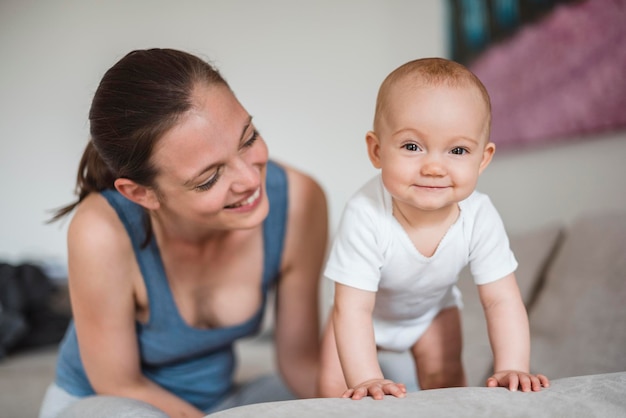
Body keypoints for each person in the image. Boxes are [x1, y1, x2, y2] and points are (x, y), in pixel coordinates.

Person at [38, 48, 328, 418]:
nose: (252, 179)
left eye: (249, 138)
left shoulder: (300, 201)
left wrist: (352, 405)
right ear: (141, 193)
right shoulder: (101, 230)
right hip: (110, 405)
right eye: (209, 178)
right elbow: (118, 385)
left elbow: (300, 364)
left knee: (388, 379)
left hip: (219, 404)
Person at [317, 57, 550, 400]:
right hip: (365, 314)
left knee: (447, 382)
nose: (434, 167)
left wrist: (512, 365)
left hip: (431, 312)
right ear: (377, 150)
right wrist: (367, 377)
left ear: (482, 159)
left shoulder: (479, 215)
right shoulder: (365, 213)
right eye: (412, 146)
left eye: (457, 150)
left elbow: (501, 299)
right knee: (334, 389)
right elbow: (352, 308)